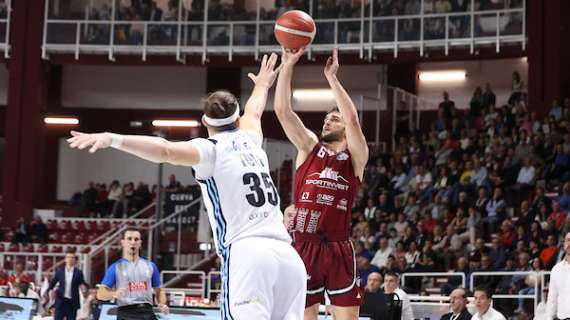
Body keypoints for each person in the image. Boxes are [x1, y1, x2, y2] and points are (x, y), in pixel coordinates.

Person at [68, 53, 307, 320]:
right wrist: (262, 84)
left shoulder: (211, 150)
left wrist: (112, 138)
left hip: (249, 254)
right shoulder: (252, 138)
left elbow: (166, 150)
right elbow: (255, 109)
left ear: (205, 122)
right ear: (237, 120)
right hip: (289, 257)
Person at [274, 47, 369, 320]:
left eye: (334, 118)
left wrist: (332, 79)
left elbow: (352, 119)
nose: (328, 121)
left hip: (338, 246)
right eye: (326, 118)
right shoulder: (309, 148)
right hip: (304, 245)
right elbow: (282, 110)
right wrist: (288, 64)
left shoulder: (355, 158)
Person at [96, 228, 168, 320]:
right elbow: (100, 294)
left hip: (147, 312)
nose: (133, 242)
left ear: (140, 243)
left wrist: (162, 303)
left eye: (136, 239)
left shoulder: (151, 266)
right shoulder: (115, 267)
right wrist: (114, 294)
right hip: (126, 313)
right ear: (123, 242)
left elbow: (159, 290)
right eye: (129, 239)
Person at [48, 253, 88, 320]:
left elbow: (82, 283)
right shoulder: (59, 271)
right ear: (65, 259)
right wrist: (50, 291)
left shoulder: (78, 272)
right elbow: (52, 283)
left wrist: (84, 288)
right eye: (69, 257)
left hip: (72, 302)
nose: (70, 259)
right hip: (61, 301)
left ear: (75, 260)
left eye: (72, 258)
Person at [546, 232, 570, 320]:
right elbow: (552, 297)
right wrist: (549, 318)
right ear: (564, 244)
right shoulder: (556, 269)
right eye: (568, 240)